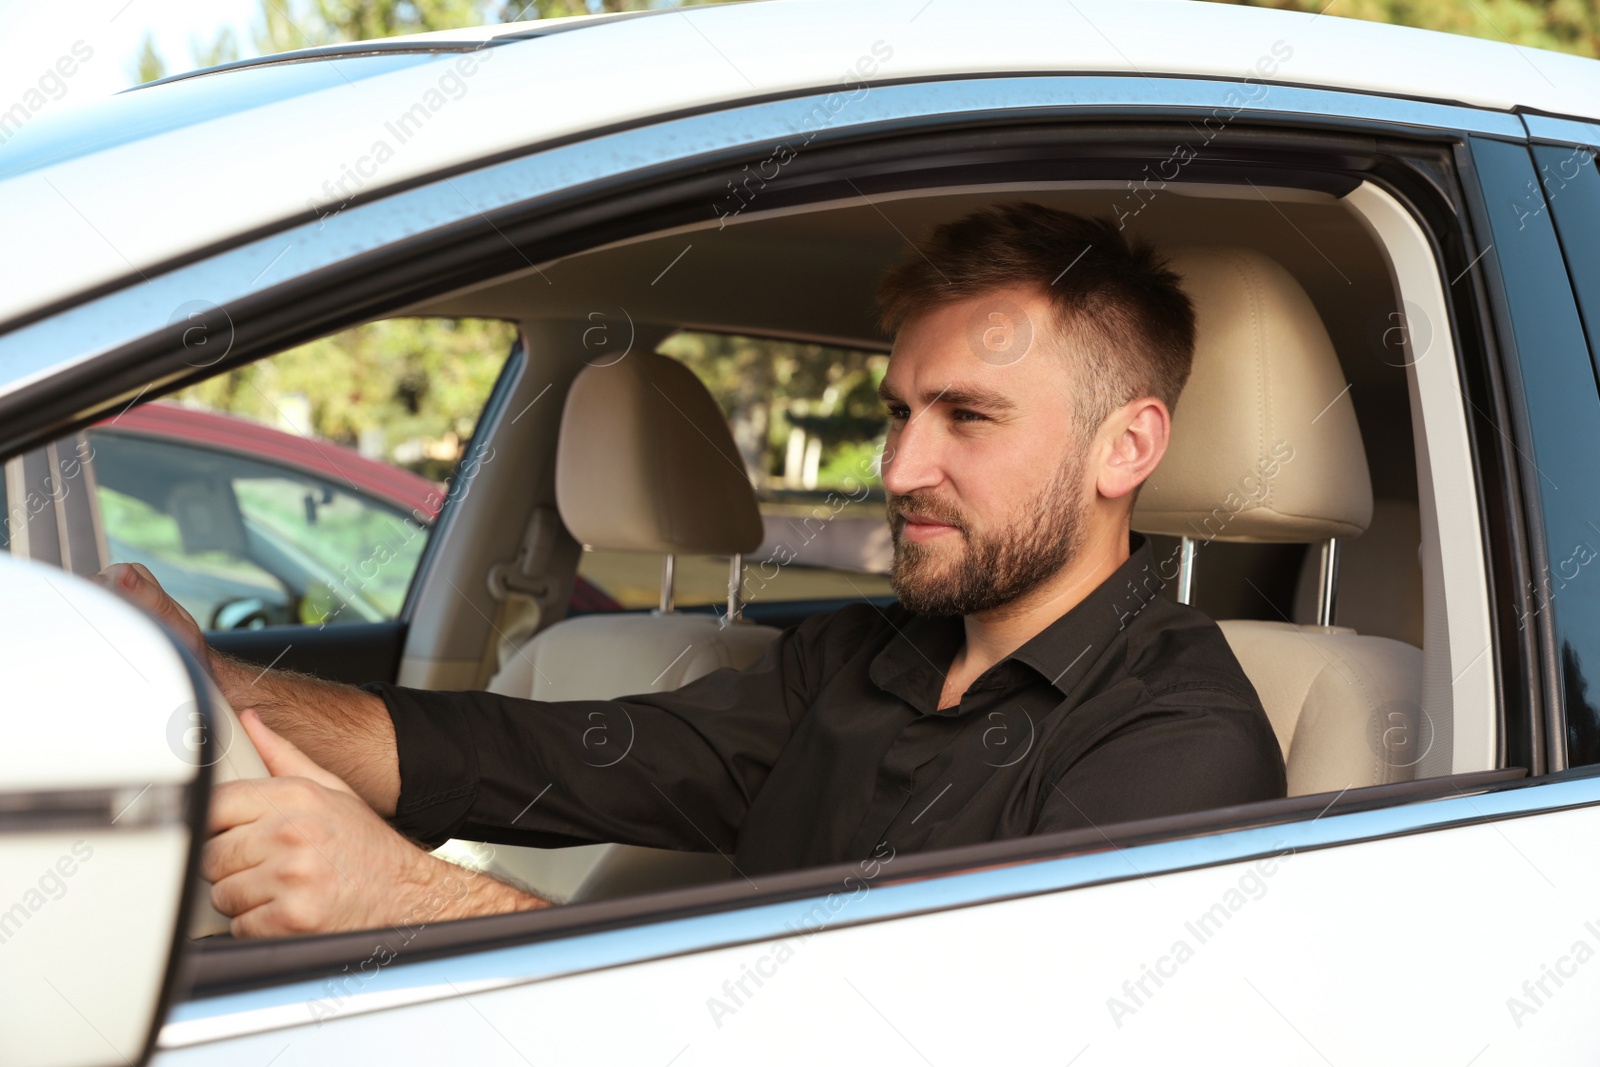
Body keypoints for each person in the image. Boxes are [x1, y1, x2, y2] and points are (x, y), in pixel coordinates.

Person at [99, 202, 1286, 939]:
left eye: (967, 416)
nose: (901, 464)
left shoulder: (1181, 748)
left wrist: (413, 901)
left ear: (1124, 447)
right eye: (897, 410)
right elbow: (539, 757)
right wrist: (224, 680)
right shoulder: (856, 657)